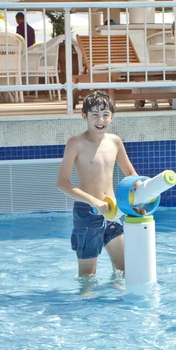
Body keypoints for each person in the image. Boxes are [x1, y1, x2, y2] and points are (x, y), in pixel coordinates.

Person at [57, 91, 138, 277]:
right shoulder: (76, 143)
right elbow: (62, 183)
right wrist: (93, 201)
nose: (100, 120)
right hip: (87, 213)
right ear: (84, 115)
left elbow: (131, 174)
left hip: (112, 212)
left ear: (112, 116)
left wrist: (141, 188)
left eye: (105, 114)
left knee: (124, 270)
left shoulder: (115, 141)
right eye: (94, 114)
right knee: (88, 276)